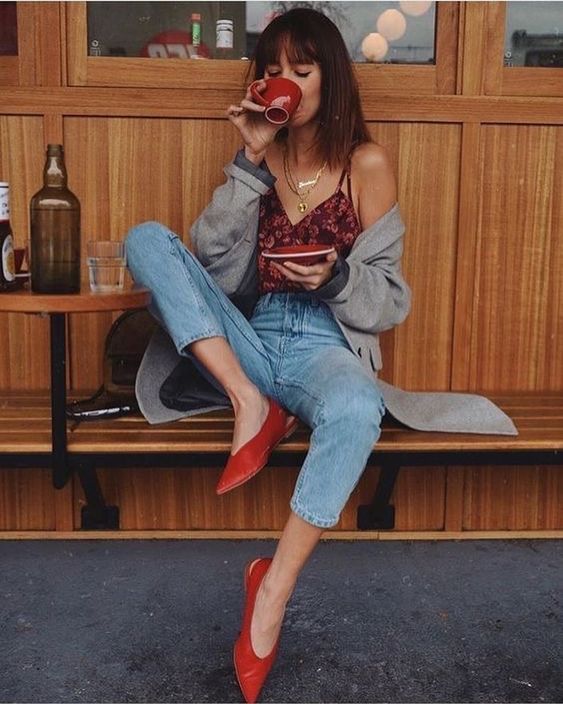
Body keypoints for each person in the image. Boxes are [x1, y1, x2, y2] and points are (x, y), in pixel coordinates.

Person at [125, 7, 516, 703]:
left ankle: (271, 591)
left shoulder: (366, 164)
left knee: (358, 407)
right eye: (273, 70)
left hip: (323, 343)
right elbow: (205, 260)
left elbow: (390, 299)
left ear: (328, 79)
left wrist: (334, 278)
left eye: (301, 71)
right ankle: (250, 402)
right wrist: (248, 161)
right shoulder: (262, 154)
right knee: (147, 240)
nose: (286, 83)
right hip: (246, 338)